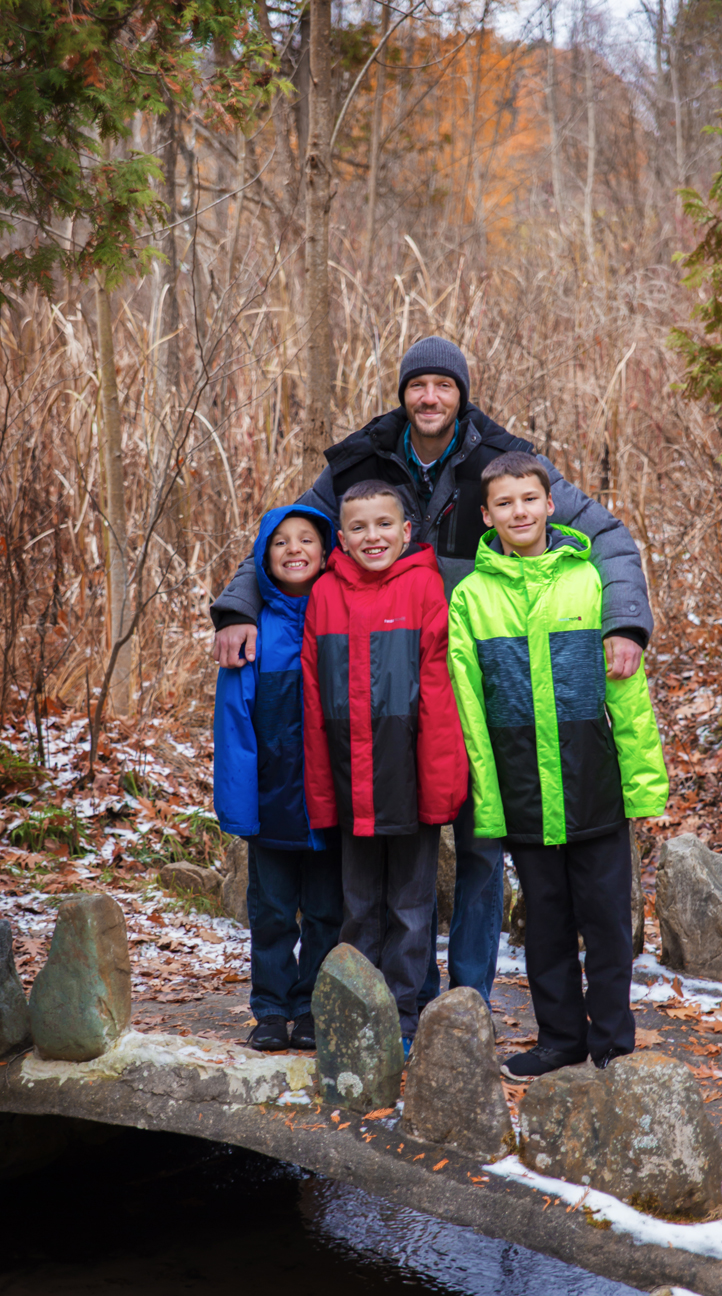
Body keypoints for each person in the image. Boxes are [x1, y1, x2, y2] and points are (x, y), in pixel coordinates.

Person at [210, 336, 653, 1012]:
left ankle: (465, 1004)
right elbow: (288, 533)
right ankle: (391, 1004)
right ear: (403, 394)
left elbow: (610, 538)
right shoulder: (362, 461)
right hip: (389, 691)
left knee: (480, 844)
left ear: (462, 395)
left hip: (485, 680)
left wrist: (623, 623)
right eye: (418, 385)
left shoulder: (503, 462)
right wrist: (238, 607)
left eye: (444, 386)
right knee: (385, 859)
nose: (430, 397)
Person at [447, 452, 668, 1079]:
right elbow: (469, 707)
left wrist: (643, 784)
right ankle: (560, 1039)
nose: (518, 512)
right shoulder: (471, 598)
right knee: (545, 924)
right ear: (486, 515)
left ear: (550, 506)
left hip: (592, 784)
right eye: (504, 503)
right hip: (522, 790)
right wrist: (487, 797)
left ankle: (613, 1040)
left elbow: (627, 695)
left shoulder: (590, 582)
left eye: (529, 499)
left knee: (606, 921)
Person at [301, 481, 468, 1054]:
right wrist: (322, 787)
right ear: (341, 538)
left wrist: (439, 784)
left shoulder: (424, 585)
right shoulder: (325, 593)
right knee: (358, 906)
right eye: (358, 527)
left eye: (383, 524)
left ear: (406, 531)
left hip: (408, 776)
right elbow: (313, 695)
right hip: (351, 778)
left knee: (411, 909)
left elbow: (438, 691)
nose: (372, 536)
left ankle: (400, 1015)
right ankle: (356, 1009)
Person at [213, 505, 343, 1053]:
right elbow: (234, 724)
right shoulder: (251, 630)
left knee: (327, 911)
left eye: (306, 539)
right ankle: (270, 1008)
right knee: (270, 912)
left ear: (326, 550)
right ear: (264, 557)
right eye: (281, 541)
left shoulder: (339, 615)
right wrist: (240, 808)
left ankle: (313, 1007)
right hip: (272, 803)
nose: (294, 549)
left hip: (330, 804)